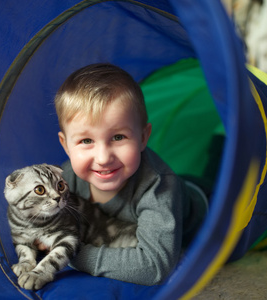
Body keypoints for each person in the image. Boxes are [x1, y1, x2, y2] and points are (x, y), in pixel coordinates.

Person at [54, 63, 208, 285]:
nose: (103, 157)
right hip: (182, 187)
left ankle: (220, 147)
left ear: (144, 137)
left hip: (208, 210)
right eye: (86, 141)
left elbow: (154, 266)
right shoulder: (66, 179)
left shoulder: (157, 187)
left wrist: (73, 254)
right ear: (66, 145)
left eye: (118, 137)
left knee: (232, 182)